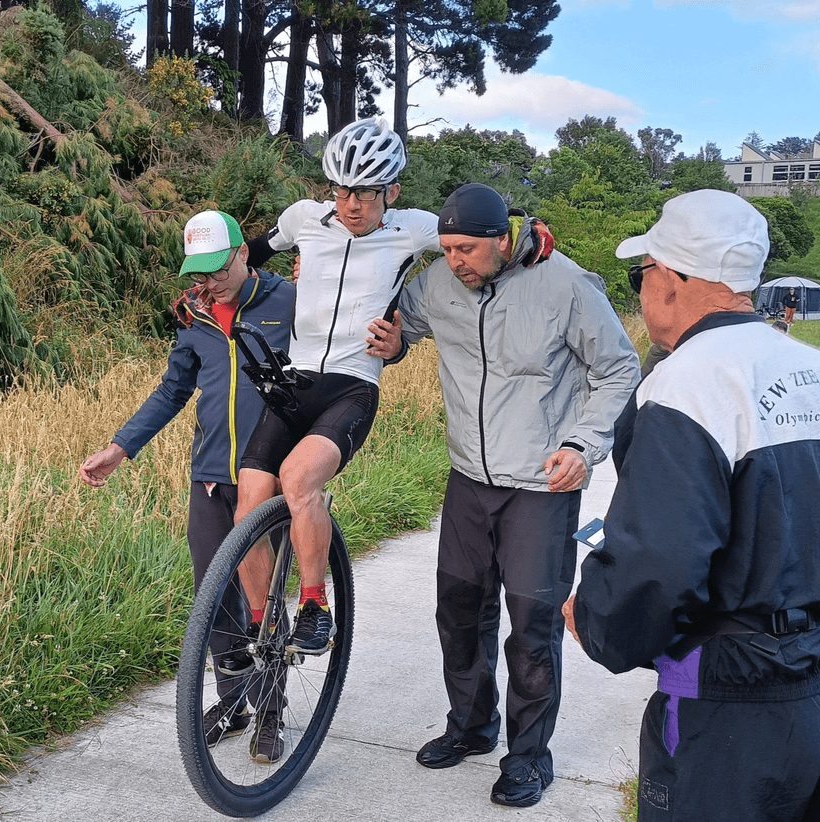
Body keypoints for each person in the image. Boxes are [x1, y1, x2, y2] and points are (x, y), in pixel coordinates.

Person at [564, 189, 820, 822]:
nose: (640, 290)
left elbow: (659, 565)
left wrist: (599, 622)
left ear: (671, 280)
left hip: (724, 695)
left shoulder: (685, 383)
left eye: (642, 273)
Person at [376, 183, 640, 808]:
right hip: (469, 477)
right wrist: (393, 343)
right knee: (459, 614)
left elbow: (618, 368)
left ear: (502, 239)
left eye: (467, 248)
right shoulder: (438, 282)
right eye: (445, 250)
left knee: (531, 628)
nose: (455, 261)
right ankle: (470, 727)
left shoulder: (567, 286)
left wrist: (582, 445)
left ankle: (527, 756)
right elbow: (401, 322)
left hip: (540, 486)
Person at [79, 210, 295, 764]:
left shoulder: (288, 302)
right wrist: (119, 447)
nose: (209, 283)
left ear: (244, 254)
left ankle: (271, 711)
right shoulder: (194, 316)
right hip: (208, 478)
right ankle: (234, 702)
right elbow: (171, 390)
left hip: (266, 474)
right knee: (212, 597)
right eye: (198, 274)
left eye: (218, 269)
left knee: (259, 597)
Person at [233, 117, 441, 656]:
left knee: (298, 478)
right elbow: (251, 254)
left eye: (368, 194)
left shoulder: (414, 229)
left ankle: (313, 607)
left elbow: (477, 239)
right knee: (249, 497)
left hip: (351, 387)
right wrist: (207, 287)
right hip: (293, 381)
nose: (353, 205)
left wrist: (526, 235)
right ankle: (262, 627)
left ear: (391, 191)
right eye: (343, 191)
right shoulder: (304, 218)